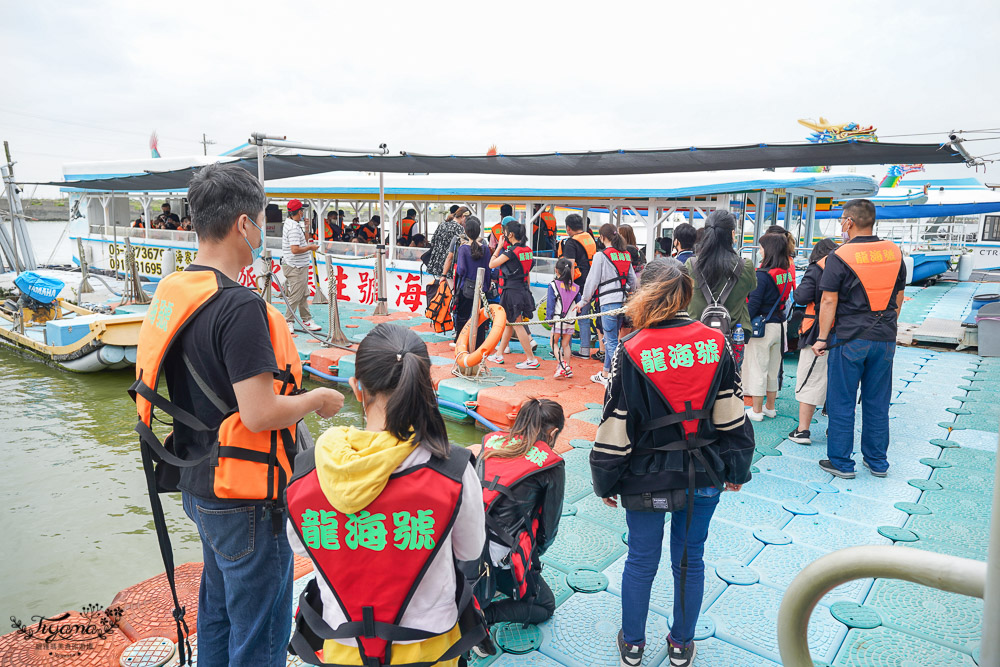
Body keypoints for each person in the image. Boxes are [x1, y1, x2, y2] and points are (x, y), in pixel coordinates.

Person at [131, 163, 345, 667]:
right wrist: (317, 401)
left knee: (219, 608)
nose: (264, 232)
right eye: (263, 221)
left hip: (197, 484)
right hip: (245, 499)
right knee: (260, 631)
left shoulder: (177, 290)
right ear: (243, 224)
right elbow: (261, 412)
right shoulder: (239, 307)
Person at [285, 323, 487, 667]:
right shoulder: (452, 469)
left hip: (343, 645)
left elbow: (302, 546)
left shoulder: (309, 469)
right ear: (425, 388)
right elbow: (470, 550)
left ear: (357, 388)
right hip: (430, 648)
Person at [589, 257, 754, 667]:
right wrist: (736, 468)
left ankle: (632, 645)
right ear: (688, 292)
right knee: (689, 558)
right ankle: (681, 644)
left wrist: (606, 480)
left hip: (646, 476)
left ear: (643, 294)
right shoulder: (715, 344)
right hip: (705, 471)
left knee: (641, 559)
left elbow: (617, 421)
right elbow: (732, 410)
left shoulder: (629, 350)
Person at [813, 199, 906, 479]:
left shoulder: (840, 256)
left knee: (842, 401)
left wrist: (821, 338)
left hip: (848, 339)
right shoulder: (894, 252)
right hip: (885, 338)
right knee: (878, 402)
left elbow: (829, 300)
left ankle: (842, 462)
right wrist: (888, 326)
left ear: (849, 222)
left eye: (843, 219)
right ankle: (877, 461)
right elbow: (899, 296)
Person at [472, 398, 565, 645]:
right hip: (501, 556)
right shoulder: (550, 465)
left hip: (465, 545)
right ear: (553, 432)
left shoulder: (492, 442)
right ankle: (484, 616)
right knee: (545, 606)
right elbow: (549, 527)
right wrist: (532, 559)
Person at [686, 210, 757, 365]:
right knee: (731, 383)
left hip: (695, 339)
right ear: (732, 234)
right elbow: (751, 287)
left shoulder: (691, 265)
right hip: (731, 338)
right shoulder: (745, 266)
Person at [789, 238, 838, 444]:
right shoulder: (846, 266)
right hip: (847, 332)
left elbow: (801, 297)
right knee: (839, 382)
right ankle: (836, 429)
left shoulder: (817, 268)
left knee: (810, 379)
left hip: (818, 332)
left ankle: (803, 430)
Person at [744, 233, 795, 421]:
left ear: (769, 250)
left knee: (758, 369)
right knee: (773, 370)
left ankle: (756, 411)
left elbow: (753, 304)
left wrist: (742, 324)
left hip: (762, 328)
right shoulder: (786, 273)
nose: (760, 251)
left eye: (761, 247)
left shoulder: (762, 275)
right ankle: (770, 407)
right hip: (781, 326)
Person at [580, 224, 637, 387]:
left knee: (610, 341)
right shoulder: (626, 254)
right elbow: (633, 281)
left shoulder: (601, 256)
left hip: (607, 303)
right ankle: (606, 373)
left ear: (602, 237)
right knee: (611, 339)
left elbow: (592, 281)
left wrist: (584, 301)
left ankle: (613, 379)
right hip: (622, 302)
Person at [488, 220, 540, 369]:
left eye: (504, 232)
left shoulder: (510, 252)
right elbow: (527, 272)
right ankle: (499, 354)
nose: (503, 234)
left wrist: (498, 247)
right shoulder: (528, 250)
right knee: (509, 323)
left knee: (516, 324)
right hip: (522, 290)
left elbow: (492, 264)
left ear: (510, 234)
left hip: (512, 292)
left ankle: (531, 359)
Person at [557, 214, 602, 362]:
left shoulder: (571, 243)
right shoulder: (589, 237)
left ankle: (565, 349)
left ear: (568, 228)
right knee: (584, 317)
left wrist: (567, 286)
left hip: (576, 284)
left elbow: (569, 265)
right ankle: (584, 350)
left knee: (568, 317)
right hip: (589, 282)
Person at [280, 199, 322, 333]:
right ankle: (288, 321)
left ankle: (306, 319)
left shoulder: (292, 224)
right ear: (299, 212)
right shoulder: (293, 228)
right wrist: (310, 247)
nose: (303, 212)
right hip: (296, 267)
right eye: (302, 210)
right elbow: (295, 249)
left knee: (303, 294)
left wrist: (307, 229)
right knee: (296, 296)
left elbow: (301, 241)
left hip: (297, 266)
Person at [453, 216, 493, 349]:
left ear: (466, 231)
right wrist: (486, 286)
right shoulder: (486, 249)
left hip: (466, 288)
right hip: (482, 288)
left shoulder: (463, 249)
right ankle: (479, 343)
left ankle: (460, 342)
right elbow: (488, 270)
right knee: (480, 318)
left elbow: (461, 270)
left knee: (462, 316)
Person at [546, 258, 581, 379]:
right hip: (570, 320)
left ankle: (563, 365)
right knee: (566, 345)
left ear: (556, 270)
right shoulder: (576, 287)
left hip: (558, 320)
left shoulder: (553, 285)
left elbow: (550, 304)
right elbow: (579, 304)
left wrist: (549, 319)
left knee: (553, 343)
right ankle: (568, 369)